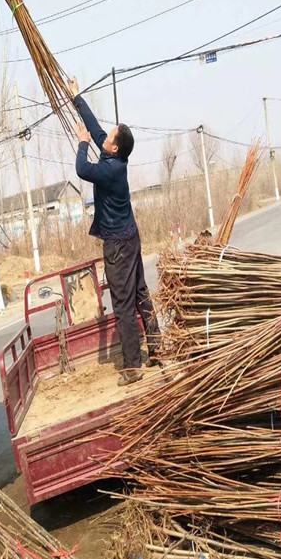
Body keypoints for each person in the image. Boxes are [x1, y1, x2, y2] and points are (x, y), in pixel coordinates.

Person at [69, 78, 160, 386]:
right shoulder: (113, 156)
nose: (102, 137)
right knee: (140, 294)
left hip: (119, 246)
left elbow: (83, 170)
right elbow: (95, 127)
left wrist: (82, 143)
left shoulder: (111, 170)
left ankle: (133, 366)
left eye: (107, 137)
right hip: (130, 237)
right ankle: (157, 348)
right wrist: (76, 97)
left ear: (115, 146)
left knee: (123, 304)